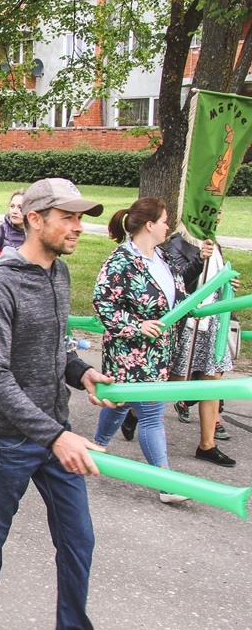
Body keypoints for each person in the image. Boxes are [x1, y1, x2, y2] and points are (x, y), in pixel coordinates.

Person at [0, 177, 115, 630]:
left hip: (56, 432)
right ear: (35, 219)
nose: (79, 227)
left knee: (79, 541)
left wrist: (80, 371)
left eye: (80, 218)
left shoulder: (59, 272)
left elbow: (56, 347)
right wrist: (57, 435)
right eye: (68, 217)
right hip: (11, 441)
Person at [91, 197, 191, 502]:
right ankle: (166, 483)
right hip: (129, 352)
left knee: (118, 403)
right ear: (149, 225)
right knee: (150, 414)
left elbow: (178, 297)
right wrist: (136, 325)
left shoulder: (161, 258)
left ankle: (96, 447)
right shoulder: (121, 261)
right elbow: (102, 302)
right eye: (164, 221)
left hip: (158, 353)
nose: (168, 226)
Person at [167, 225, 238, 467]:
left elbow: (216, 277)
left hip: (212, 322)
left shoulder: (213, 241)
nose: (217, 216)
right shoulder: (178, 241)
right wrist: (199, 258)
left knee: (212, 380)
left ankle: (206, 445)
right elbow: (177, 281)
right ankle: (134, 410)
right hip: (189, 321)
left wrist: (228, 284)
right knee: (175, 381)